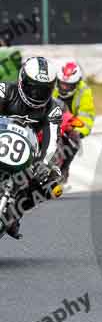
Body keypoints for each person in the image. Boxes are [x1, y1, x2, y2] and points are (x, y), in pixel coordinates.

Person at [0, 56, 63, 239]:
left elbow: (51, 140)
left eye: (43, 90)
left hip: (28, 150)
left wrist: (44, 163)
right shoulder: (4, 91)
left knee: (51, 182)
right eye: (32, 88)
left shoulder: (53, 109)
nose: (36, 94)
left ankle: (14, 213)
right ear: (22, 81)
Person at [53, 60, 95, 182]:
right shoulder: (53, 87)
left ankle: (63, 169)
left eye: (68, 85)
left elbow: (86, 115)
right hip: (51, 119)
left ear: (76, 84)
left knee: (73, 142)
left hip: (71, 123)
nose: (64, 87)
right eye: (62, 84)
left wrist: (78, 131)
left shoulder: (84, 92)